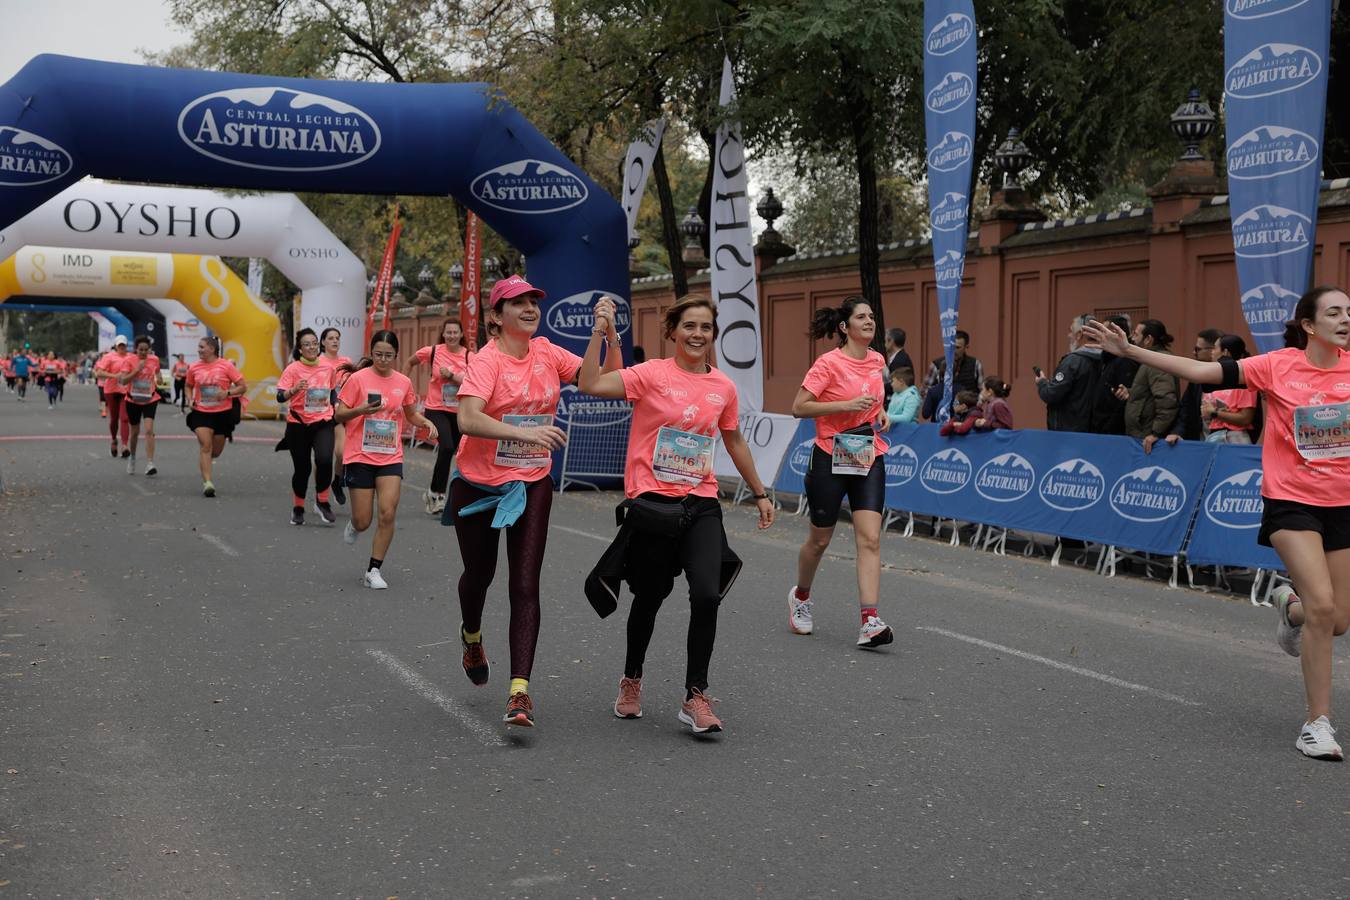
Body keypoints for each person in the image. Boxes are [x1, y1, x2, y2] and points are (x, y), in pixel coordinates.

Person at [1084, 286, 1350, 761]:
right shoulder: (1278, 364)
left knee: (1336, 620)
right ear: (1309, 325)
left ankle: (1290, 607)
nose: (1345, 319)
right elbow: (1201, 370)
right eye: (1334, 312)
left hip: (1343, 505)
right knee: (1325, 608)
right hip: (1291, 502)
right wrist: (1131, 350)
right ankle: (1317, 724)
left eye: (1349, 312)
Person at [580, 294, 775, 735]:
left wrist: (760, 493)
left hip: (700, 504)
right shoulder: (650, 375)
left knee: (707, 594)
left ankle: (695, 696)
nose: (697, 334)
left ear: (713, 336)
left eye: (706, 328)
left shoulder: (723, 387)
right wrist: (600, 331)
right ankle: (631, 681)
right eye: (689, 326)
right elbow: (591, 383)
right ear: (673, 331)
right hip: (652, 505)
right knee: (649, 598)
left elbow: (734, 440)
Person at [449, 274, 619, 727]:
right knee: (479, 575)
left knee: (524, 584)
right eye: (517, 303)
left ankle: (519, 691)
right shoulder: (487, 362)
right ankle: (471, 636)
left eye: (533, 302)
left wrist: (601, 334)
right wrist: (525, 432)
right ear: (496, 316)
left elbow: (591, 381)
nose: (529, 309)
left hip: (532, 480)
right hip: (480, 484)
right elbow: (467, 418)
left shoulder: (545, 351)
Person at [788, 295, 895, 648]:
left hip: (867, 455)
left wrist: (880, 414)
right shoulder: (827, 364)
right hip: (830, 456)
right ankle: (801, 597)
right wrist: (845, 405)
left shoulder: (878, 360)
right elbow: (799, 407)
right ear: (844, 327)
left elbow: (874, 400)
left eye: (872, 316)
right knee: (820, 539)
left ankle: (870, 621)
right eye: (861, 317)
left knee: (871, 538)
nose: (869, 321)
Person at [335, 331, 437, 589]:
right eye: (378, 354)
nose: (383, 360)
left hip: (390, 455)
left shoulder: (403, 382)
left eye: (388, 355)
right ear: (371, 353)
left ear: (396, 355)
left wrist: (425, 422)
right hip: (360, 455)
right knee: (363, 519)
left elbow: (411, 414)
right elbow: (339, 415)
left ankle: (374, 570)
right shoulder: (358, 379)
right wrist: (361, 410)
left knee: (388, 512)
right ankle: (355, 525)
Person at [405, 319, 473, 515]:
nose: (451, 335)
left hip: (459, 411)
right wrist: (403, 386)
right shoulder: (432, 351)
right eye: (448, 332)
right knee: (447, 446)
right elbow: (410, 362)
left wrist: (451, 375)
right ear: (443, 334)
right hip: (436, 409)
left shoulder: (470, 356)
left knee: (457, 452)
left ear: (461, 335)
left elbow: (473, 380)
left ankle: (440, 492)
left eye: (455, 332)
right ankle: (437, 494)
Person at [276, 328, 339, 526]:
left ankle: (323, 501)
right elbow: (279, 396)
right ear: (300, 349)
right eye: (306, 344)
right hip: (298, 424)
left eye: (314, 343)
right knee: (302, 469)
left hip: (323, 422)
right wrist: (293, 390)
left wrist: (335, 404)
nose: (311, 347)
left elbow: (332, 392)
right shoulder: (292, 369)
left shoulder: (328, 368)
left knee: (325, 459)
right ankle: (298, 507)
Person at [185, 336, 248, 497]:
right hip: (201, 412)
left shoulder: (226, 366)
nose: (199, 350)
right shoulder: (193, 367)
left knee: (216, 451)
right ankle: (207, 482)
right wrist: (189, 398)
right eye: (198, 347)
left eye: (202, 347)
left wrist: (226, 392)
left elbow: (242, 387)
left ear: (212, 349)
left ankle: (205, 461)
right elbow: (188, 385)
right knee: (206, 445)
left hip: (222, 413)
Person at [1035, 314, 1103, 433]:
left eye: (1071, 331)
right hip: (1095, 431)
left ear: (1079, 334)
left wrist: (1042, 382)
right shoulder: (1107, 361)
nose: (1068, 335)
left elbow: (1051, 394)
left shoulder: (1073, 361)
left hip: (1068, 431)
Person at [1119, 319, 1180, 441]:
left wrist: (1155, 433)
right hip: (1142, 435)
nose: (1132, 338)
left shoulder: (1156, 362)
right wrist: (1131, 393)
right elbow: (1149, 395)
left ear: (1148, 339)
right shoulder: (1151, 360)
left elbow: (1166, 400)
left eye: (1136, 334)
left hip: (1148, 438)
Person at [1163, 328, 1224, 445]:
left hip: (1227, 445)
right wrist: (1177, 432)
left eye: (1197, 349)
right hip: (1200, 443)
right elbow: (1186, 408)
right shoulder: (1196, 378)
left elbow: (1248, 418)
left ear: (1212, 350)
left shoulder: (1235, 378)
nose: (1193, 353)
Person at [118, 336, 162, 476]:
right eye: (140, 350)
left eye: (146, 350)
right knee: (135, 432)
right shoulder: (129, 360)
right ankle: (133, 458)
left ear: (149, 349)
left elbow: (158, 373)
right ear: (136, 349)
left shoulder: (154, 360)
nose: (143, 352)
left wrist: (159, 378)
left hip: (150, 398)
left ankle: (150, 463)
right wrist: (136, 370)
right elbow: (123, 381)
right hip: (133, 400)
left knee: (149, 430)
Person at [1202, 335, 1257, 444]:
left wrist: (1215, 412)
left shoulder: (1244, 379)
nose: (1212, 352)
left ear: (1225, 352)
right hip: (1212, 435)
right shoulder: (1212, 378)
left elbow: (1245, 418)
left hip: (1234, 438)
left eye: (1215, 348)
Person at [320, 327, 353, 505]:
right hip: (322, 411)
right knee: (322, 457)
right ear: (323, 341)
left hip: (342, 410)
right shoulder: (318, 362)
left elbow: (353, 382)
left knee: (341, 453)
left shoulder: (346, 361)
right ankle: (321, 493)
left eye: (337, 338)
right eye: (330, 338)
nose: (334, 341)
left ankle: (337, 481)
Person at [1091, 315, 1139, 435]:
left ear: (1114, 333)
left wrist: (1108, 428)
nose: (1099, 335)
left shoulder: (1125, 361)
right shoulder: (1107, 359)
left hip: (1113, 432)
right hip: (1101, 427)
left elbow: (1122, 401)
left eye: (1103, 331)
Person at [920, 330, 983, 420]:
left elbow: (982, 392)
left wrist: (973, 407)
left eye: (957, 347)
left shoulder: (975, 364)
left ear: (966, 347)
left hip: (967, 418)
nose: (954, 350)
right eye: (951, 347)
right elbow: (924, 390)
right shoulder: (936, 364)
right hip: (940, 419)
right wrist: (938, 405)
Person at [94, 336, 132, 454]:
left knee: (125, 418)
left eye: (124, 345)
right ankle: (114, 440)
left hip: (125, 391)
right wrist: (115, 376)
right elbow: (99, 373)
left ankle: (125, 446)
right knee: (114, 419)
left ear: (126, 346)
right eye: (119, 345)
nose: (122, 347)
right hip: (111, 390)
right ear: (115, 346)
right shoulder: (108, 357)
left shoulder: (131, 357)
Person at [942, 377, 1013, 435]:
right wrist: (976, 423)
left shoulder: (999, 404)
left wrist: (985, 424)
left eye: (983, 389)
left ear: (989, 392)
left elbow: (1006, 426)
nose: (981, 392)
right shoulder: (987, 404)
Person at [882, 328, 913, 404]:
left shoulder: (899, 361)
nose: (884, 344)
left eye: (885, 341)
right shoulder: (901, 357)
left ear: (891, 341)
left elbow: (896, 384)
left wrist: (879, 386)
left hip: (898, 403)